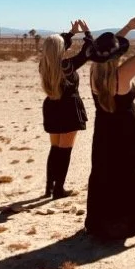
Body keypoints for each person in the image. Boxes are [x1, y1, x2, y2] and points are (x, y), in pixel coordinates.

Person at [84, 16, 135, 241]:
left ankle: (103, 223)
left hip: (104, 132)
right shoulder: (121, 75)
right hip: (126, 131)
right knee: (130, 172)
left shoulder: (95, 74)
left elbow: (106, 50)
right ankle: (129, 222)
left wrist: (127, 28)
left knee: (105, 173)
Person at [39, 19, 94, 199]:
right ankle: (59, 189)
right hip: (68, 108)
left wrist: (70, 33)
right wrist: (86, 32)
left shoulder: (44, 66)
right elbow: (88, 51)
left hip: (52, 106)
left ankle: (49, 187)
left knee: (55, 149)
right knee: (65, 151)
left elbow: (56, 47)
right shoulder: (67, 65)